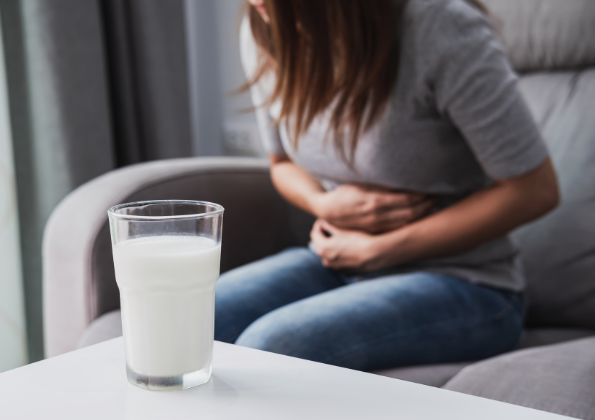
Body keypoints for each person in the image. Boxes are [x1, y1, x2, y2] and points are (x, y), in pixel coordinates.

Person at [214, 0, 559, 372]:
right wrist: (323, 204)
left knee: (268, 348)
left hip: (467, 282)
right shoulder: (267, 26)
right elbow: (281, 163)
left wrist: (380, 250)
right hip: (336, 262)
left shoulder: (440, 26)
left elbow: (534, 190)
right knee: (183, 318)